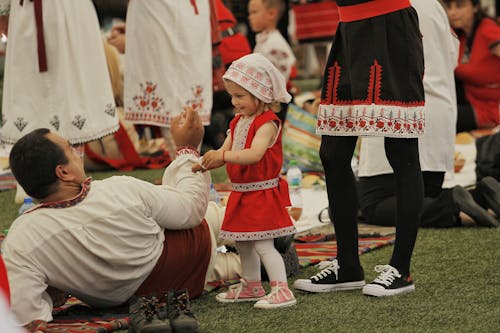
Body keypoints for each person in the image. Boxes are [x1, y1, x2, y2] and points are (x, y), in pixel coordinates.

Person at [2, 107, 214, 330]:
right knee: (232, 222)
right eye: (71, 150)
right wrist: (187, 149)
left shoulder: (20, 238)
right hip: (197, 254)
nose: (77, 153)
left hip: (171, 287)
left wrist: (56, 285)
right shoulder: (118, 189)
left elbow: (26, 310)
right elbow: (190, 210)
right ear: (64, 173)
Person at [294, 0, 425, 297]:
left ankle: (401, 269)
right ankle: (348, 265)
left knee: (402, 153)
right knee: (332, 154)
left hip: (390, 25)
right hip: (350, 30)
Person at [355, 0, 500, 230]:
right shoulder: (433, 5)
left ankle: (450, 206)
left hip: (399, 110)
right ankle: (479, 198)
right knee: (422, 193)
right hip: (439, 115)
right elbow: (452, 58)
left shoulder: (381, 4)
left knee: (373, 204)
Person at [193, 53, 297, 309]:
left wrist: (223, 155)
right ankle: (251, 284)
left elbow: (254, 155)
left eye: (240, 96)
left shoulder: (267, 124)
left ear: (260, 95)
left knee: (263, 244)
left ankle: (282, 289)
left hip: (260, 192)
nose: (233, 102)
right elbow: (224, 152)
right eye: (232, 96)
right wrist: (205, 162)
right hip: (242, 192)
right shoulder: (238, 121)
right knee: (244, 243)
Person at [0, 0, 118, 146]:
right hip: (28, 14)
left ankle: (72, 163)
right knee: (30, 92)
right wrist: (3, 10)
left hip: (69, 11)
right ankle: (42, 163)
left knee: (73, 94)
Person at [120, 0, 213, 159]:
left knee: (173, 90)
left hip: (172, 13)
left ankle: (186, 167)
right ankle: (185, 165)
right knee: (175, 89)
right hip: (179, 14)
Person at [443, 0, 500, 133]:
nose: (452, 12)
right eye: (449, 7)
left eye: (459, 6)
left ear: (475, 7)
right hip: (469, 100)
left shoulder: (487, 29)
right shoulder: (460, 36)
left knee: (443, 117)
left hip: (490, 108)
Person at [248, 0, 297, 123]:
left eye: (254, 12)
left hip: (275, 104)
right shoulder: (263, 40)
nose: (250, 17)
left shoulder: (275, 44)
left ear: (271, 14)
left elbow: (278, 80)